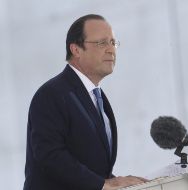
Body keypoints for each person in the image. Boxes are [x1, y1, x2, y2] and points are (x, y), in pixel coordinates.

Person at [23, 14, 147, 190]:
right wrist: (103, 184)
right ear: (76, 50)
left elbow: (89, 165)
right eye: (102, 43)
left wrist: (117, 181)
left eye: (113, 42)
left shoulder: (98, 96)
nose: (111, 49)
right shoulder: (51, 94)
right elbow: (50, 156)